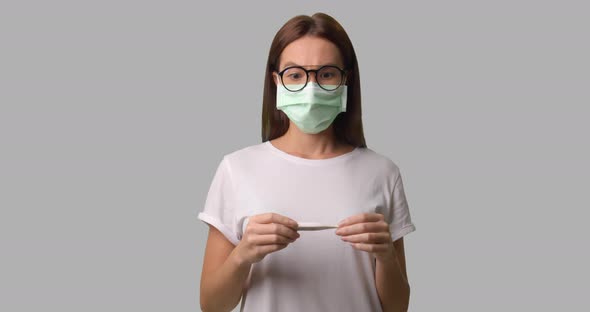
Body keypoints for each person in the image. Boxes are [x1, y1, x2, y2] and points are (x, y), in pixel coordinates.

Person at [198, 12, 416, 312]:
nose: (311, 88)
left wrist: (386, 256)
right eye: (295, 74)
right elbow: (211, 305)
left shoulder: (382, 172)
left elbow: (398, 307)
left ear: (345, 80)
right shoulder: (237, 169)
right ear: (276, 81)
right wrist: (243, 255)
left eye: (326, 74)